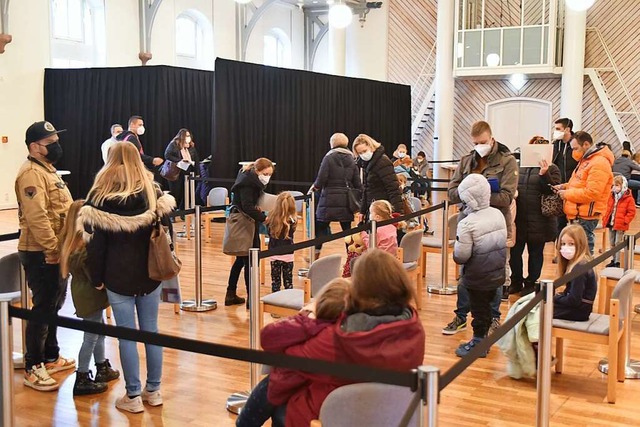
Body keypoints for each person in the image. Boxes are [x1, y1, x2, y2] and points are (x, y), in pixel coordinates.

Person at [236, 249, 425, 427]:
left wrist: (310, 317)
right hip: (392, 412)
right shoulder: (414, 328)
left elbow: (287, 355)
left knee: (282, 383)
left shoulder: (342, 336)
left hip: (341, 410)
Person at [82, 141, 176, 413]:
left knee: (126, 337)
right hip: (150, 273)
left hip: (117, 276)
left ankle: (132, 396)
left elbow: (95, 247)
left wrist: (96, 277)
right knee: (152, 333)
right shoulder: (153, 192)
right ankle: (154, 391)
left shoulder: (99, 198)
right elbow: (166, 235)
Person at [16, 121, 76, 391]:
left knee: (54, 304)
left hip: (56, 250)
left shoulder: (47, 170)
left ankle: (51, 356)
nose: (56, 146)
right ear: (34, 147)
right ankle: (33, 366)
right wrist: (53, 249)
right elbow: (37, 216)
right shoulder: (31, 174)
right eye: (50, 143)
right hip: (41, 252)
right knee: (42, 308)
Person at [443, 120, 517, 335]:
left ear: (491, 138)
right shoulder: (467, 160)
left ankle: (493, 317)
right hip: (468, 221)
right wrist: (471, 196)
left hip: (495, 224)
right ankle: (461, 315)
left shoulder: (507, 161)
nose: (479, 146)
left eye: (482, 142)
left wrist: (480, 196)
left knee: (494, 271)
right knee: (465, 273)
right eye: (475, 142)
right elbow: (452, 191)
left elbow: (506, 196)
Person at [255, 278, 351, 426]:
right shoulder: (346, 332)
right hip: (319, 395)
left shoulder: (321, 334)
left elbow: (272, 341)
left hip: (302, 401)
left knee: (272, 387)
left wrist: (303, 317)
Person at [59, 200, 120, 396]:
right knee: (91, 337)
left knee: (98, 331)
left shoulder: (71, 242)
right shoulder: (83, 248)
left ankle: (101, 366)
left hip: (85, 294)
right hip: (90, 296)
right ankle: (82, 375)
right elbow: (93, 275)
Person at [451, 174, 507, 356]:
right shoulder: (497, 214)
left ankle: (478, 343)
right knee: (488, 308)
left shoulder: (467, 223)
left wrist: (456, 248)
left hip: (477, 276)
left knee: (478, 310)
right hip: (497, 272)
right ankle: (484, 339)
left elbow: (461, 255)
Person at [509, 136, 561, 296]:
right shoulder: (520, 167)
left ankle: (531, 282)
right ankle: (516, 280)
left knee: (535, 253)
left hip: (539, 219)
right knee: (515, 252)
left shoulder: (553, 169)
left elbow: (552, 191)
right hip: (519, 217)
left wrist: (544, 174)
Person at [552, 131, 614, 254]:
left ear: (586, 144)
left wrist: (566, 194)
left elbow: (592, 192)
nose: (574, 152)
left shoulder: (599, 163)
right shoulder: (586, 160)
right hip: (577, 213)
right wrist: (564, 186)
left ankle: (585, 273)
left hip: (586, 216)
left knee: (584, 254)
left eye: (576, 148)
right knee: (576, 254)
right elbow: (578, 183)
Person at [225, 158, 274, 307]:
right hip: (245, 223)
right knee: (251, 261)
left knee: (241, 259)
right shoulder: (248, 183)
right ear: (257, 171)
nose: (267, 177)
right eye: (265, 173)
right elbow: (247, 206)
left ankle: (231, 293)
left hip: (247, 222)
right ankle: (251, 299)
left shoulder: (249, 178)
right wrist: (264, 218)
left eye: (270, 174)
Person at [310, 133, 362, 257]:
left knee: (321, 228)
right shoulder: (352, 159)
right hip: (345, 200)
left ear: (332, 143)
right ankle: (351, 257)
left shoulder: (328, 157)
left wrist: (315, 187)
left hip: (328, 199)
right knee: (347, 231)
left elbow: (321, 178)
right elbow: (357, 182)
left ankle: (315, 255)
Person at [352, 134, 404, 217]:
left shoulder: (383, 162)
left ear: (371, 146)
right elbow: (366, 189)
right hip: (372, 209)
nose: (362, 155)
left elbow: (393, 189)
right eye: (359, 153)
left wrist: (397, 214)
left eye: (364, 151)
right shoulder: (365, 164)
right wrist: (362, 211)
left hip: (383, 209)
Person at [554, 225, 597, 321]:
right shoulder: (576, 264)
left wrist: (555, 298)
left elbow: (574, 300)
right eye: (563, 244)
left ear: (580, 244)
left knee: (539, 311)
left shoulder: (579, 267)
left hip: (578, 311)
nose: (565, 247)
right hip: (578, 308)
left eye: (571, 244)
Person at [266, 192, 297, 293]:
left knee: (275, 282)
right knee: (288, 282)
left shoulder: (270, 219)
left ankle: (275, 301)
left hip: (274, 254)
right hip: (288, 255)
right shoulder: (292, 221)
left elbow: (268, 233)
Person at [552, 118, 578, 238]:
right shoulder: (556, 144)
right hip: (560, 186)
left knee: (574, 222)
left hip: (574, 187)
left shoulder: (576, 144)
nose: (555, 131)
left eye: (558, 129)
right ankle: (559, 245)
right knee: (559, 220)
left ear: (567, 129)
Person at [602, 176, 636, 267]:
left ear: (623, 186)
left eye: (617, 185)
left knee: (618, 242)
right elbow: (607, 208)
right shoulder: (612, 196)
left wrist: (625, 220)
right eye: (614, 185)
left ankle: (618, 261)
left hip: (621, 224)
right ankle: (613, 259)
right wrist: (605, 217)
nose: (614, 187)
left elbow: (632, 212)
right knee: (612, 242)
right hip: (611, 223)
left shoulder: (629, 198)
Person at [164, 128, 197, 211]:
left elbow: (196, 159)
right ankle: (172, 212)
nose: (188, 137)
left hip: (187, 171)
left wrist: (197, 171)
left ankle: (182, 211)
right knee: (175, 193)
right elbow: (167, 155)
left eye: (189, 136)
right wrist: (179, 161)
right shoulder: (174, 144)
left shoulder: (191, 146)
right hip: (176, 172)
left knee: (186, 193)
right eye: (186, 136)